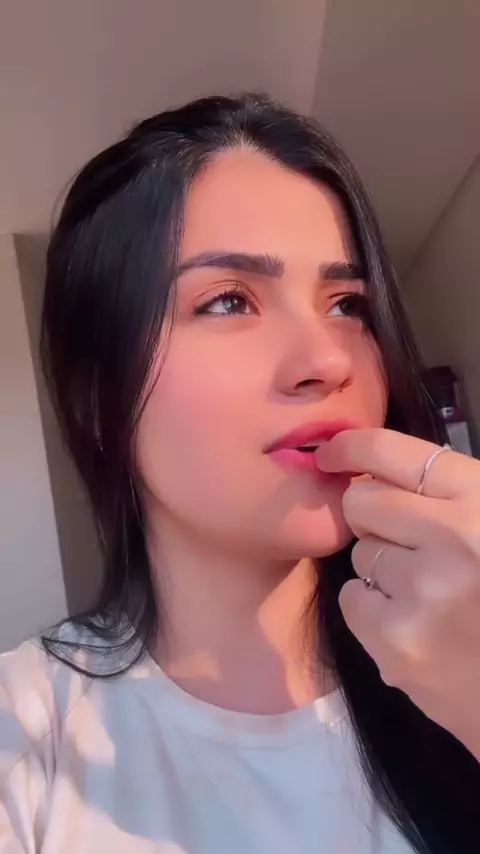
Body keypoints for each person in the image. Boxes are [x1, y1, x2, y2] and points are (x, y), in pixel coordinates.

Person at [1, 94, 479, 854]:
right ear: (96, 397)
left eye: (346, 304)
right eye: (229, 301)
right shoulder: (26, 736)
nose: (326, 360)